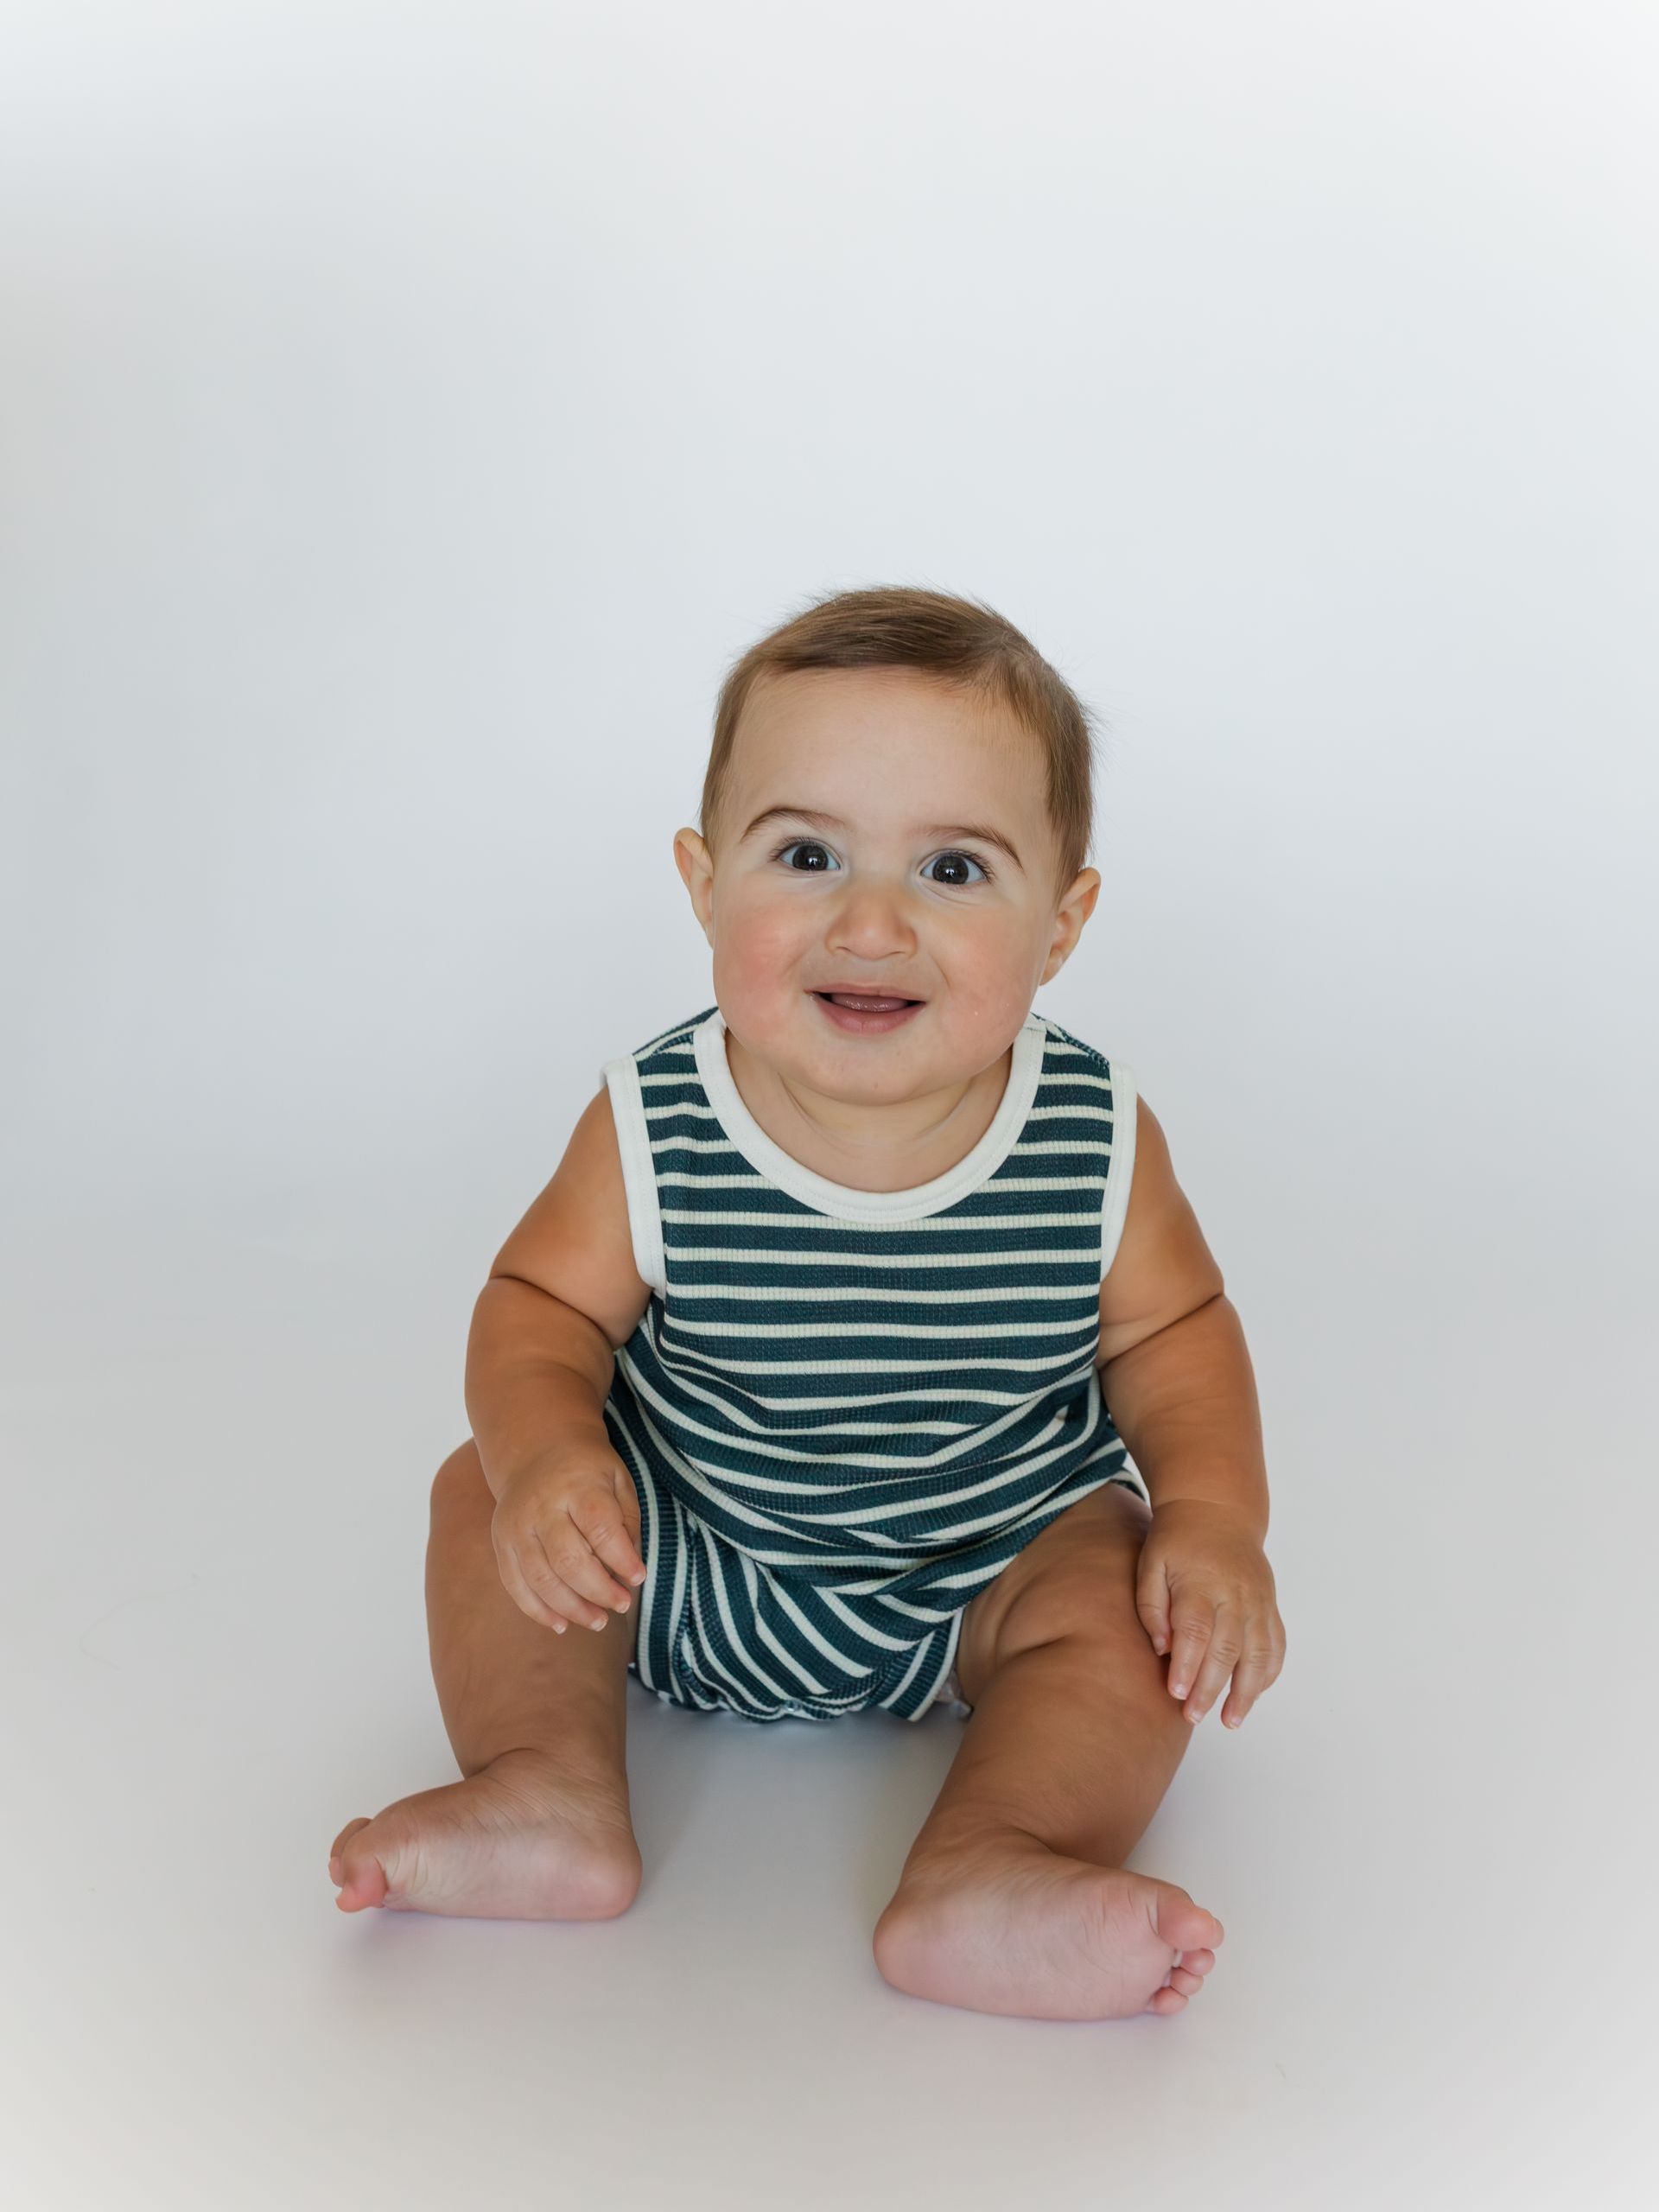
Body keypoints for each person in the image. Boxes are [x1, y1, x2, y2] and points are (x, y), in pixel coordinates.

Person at [327, 585, 1287, 2021]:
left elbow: (1171, 1335)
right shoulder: (658, 1117)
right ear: (703, 881)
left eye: (955, 870)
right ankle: (546, 1788)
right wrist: (546, 1459)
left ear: (1065, 921)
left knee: (1128, 1605)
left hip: (987, 1573)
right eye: (807, 853)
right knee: (476, 1493)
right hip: (683, 1552)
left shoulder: (1093, 1131)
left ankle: (994, 1865)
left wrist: (1217, 1522)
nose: (872, 920)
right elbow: (540, 1304)